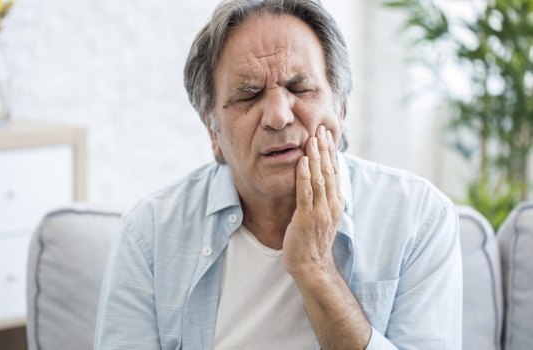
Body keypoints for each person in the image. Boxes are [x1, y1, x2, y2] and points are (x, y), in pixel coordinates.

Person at [94, 0, 462, 349]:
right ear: (213, 132)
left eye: (300, 87)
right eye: (248, 95)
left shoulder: (418, 218)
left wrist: (316, 269)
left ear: (341, 108)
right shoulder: (149, 234)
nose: (278, 116)